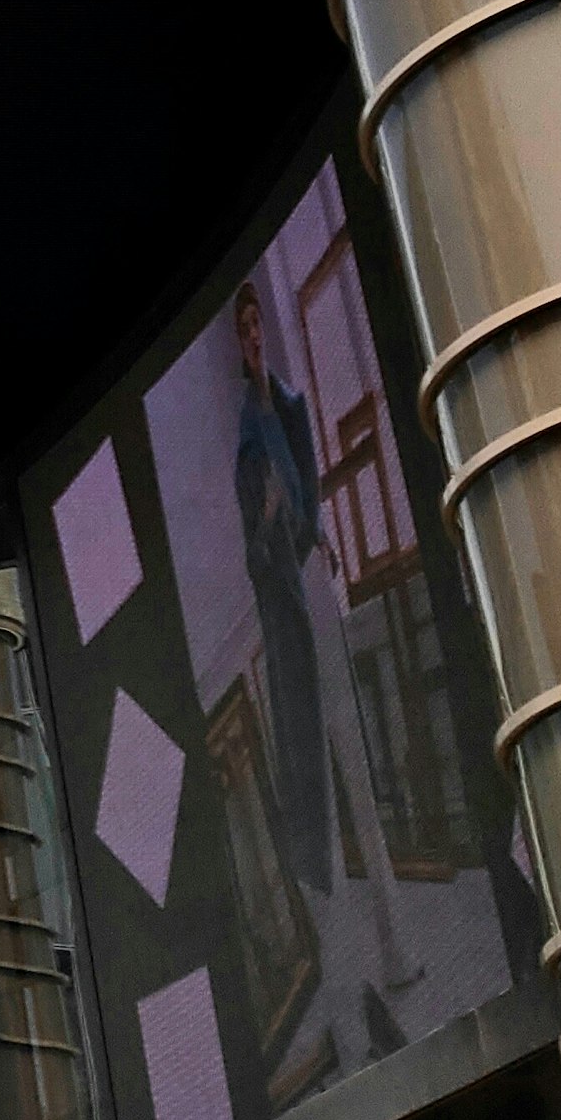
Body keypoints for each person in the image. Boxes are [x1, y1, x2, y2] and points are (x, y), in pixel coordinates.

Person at [230, 280, 333, 893]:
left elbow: (307, 486)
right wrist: (269, 521)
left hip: (307, 565)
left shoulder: (288, 407)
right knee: (299, 717)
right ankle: (313, 865)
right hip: (281, 589)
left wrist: (312, 534)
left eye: (255, 324)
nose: (252, 336)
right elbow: (254, 546)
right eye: (242, 329)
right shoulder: (247, 437)